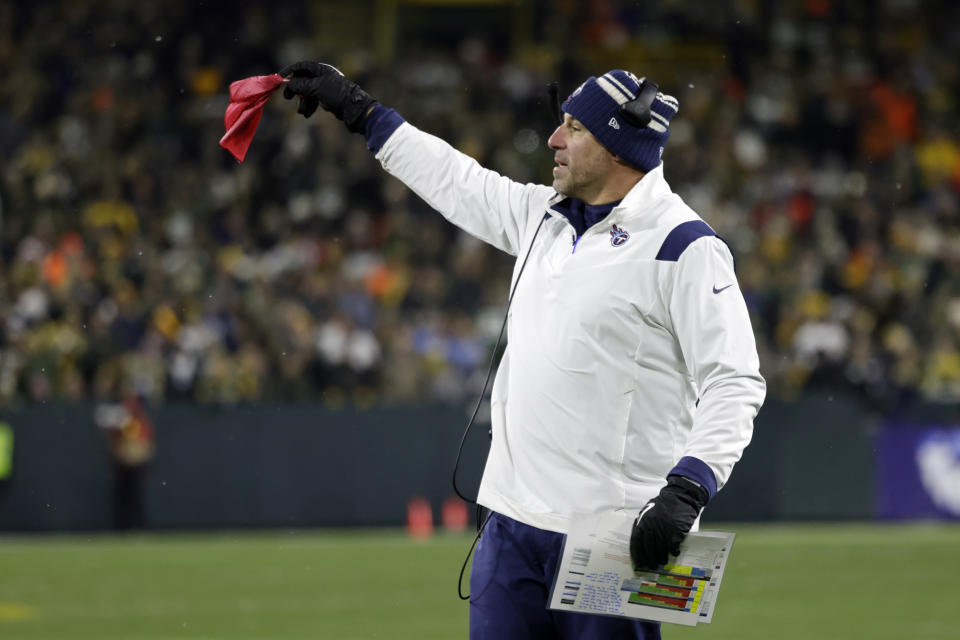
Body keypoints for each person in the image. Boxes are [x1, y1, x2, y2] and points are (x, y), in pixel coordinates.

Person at [279, 61, 766, 639]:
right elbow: (455, 180)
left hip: (613, 534)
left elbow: (734, 380)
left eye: (575, 128)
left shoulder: (686, 247)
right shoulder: (546, 217)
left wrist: (689, 488)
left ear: (619, 146)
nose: (555, 139)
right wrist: (361, 111)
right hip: (509, 522)